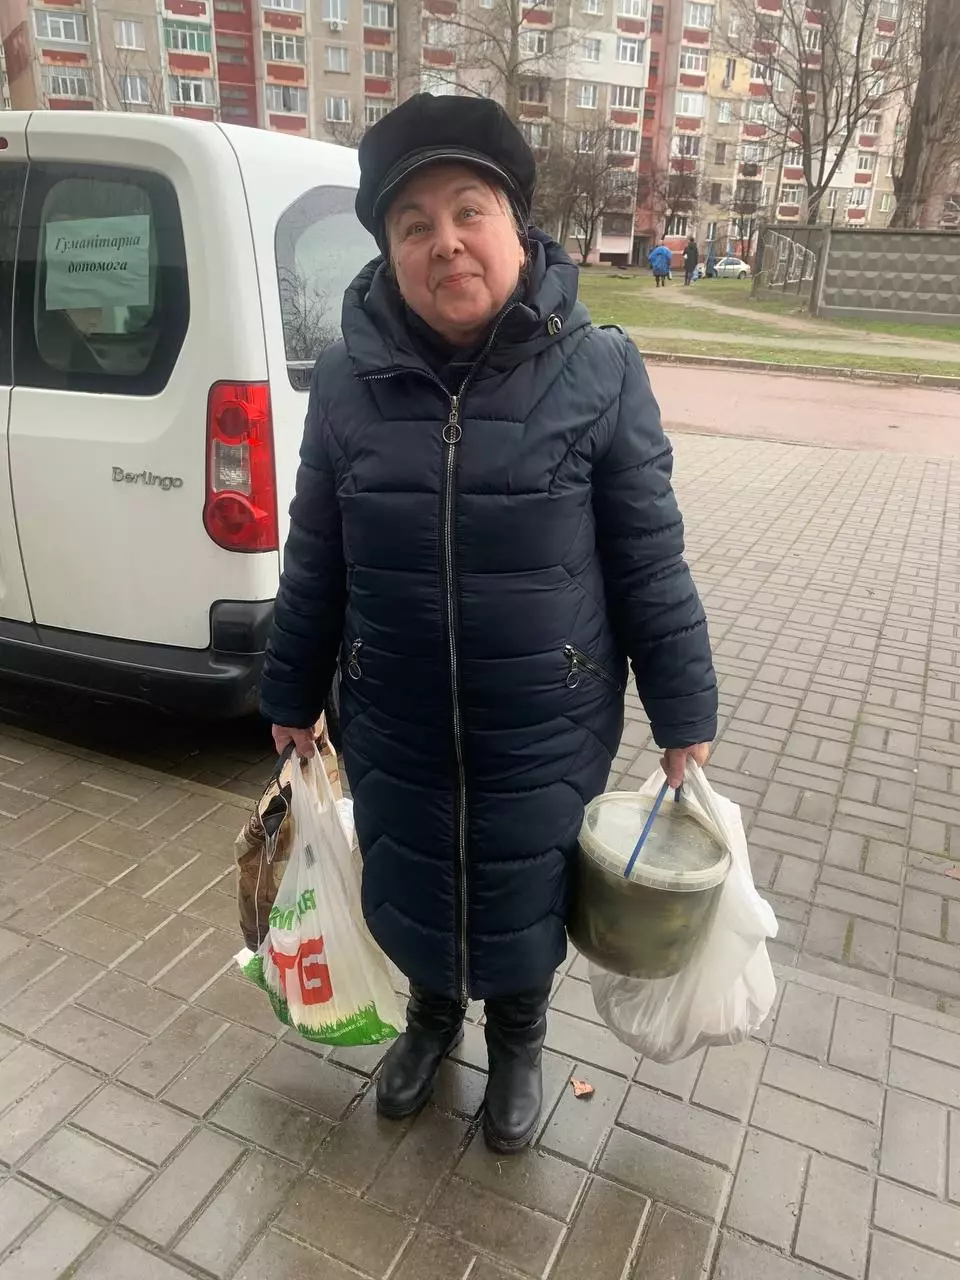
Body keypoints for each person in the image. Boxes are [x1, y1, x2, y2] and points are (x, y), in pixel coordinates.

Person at [260, 94, 717, 1155]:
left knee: (525, 883)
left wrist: (685, 711)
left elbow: (649, 558)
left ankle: (518, 1037)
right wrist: (290, 691)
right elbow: (316, 550)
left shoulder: (601, 369)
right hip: (394, 712)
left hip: (544, 719)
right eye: (413, 223)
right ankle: (429, 1020)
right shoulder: (347, 381)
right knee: (412, 871)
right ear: (389, 250)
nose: (445, 242)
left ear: (517, 225)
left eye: (469, 210)